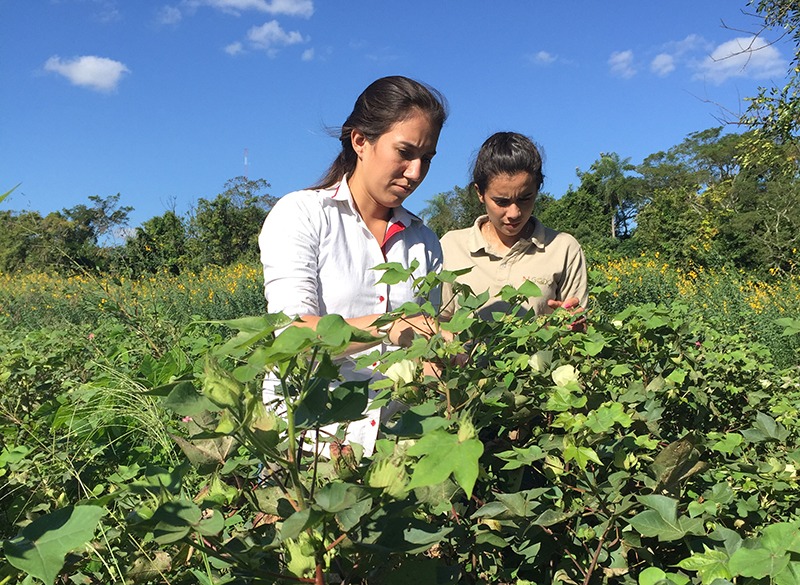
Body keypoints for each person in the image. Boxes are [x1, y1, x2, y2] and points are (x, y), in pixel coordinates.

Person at [258, 75, 448, 456]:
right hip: (311, 447)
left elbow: (421, 349)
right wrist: (390, 327)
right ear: (361, 141)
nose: (415, 172)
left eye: (426, 159)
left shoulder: (424, 242)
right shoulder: (303, 215)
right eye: (405, 152)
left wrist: (441, 364)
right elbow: (291, 339)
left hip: (393, 453)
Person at [440, 131, 588, 323]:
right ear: (480, 193)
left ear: (537, 189)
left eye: (525, 199)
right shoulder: (452, 246)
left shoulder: (563, 248)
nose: (514, 213)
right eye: (501, 201)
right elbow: (438, 324)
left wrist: (575, 325)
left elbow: (578, 330)